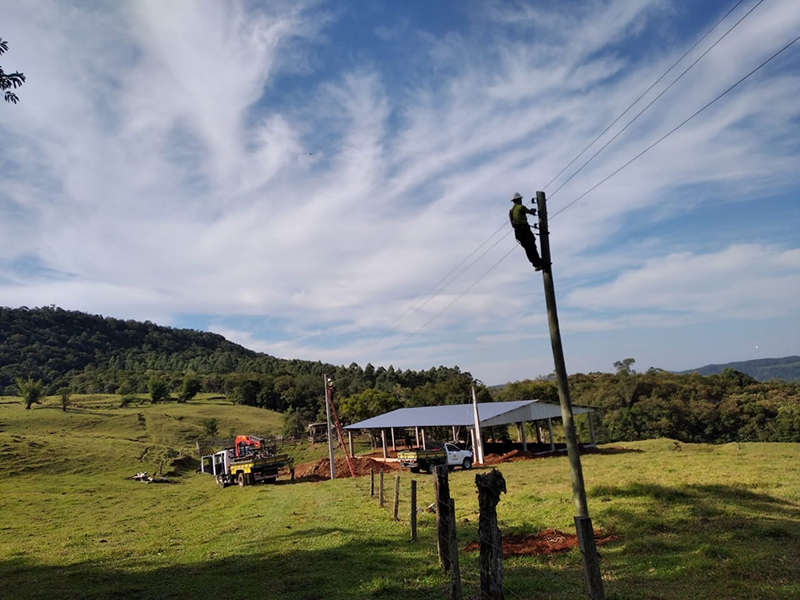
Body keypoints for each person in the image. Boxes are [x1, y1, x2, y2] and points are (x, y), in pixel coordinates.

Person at [509, 192, 543, 271]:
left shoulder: (511, 211)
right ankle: (538, 262)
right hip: (524, 230)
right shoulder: (521, 207)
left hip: (518, 233)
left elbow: (513, 224)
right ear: (519, 199)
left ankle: (536, 264)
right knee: (532, 246)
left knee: (528, 249)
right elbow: (531, 212)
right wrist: (533, 211)